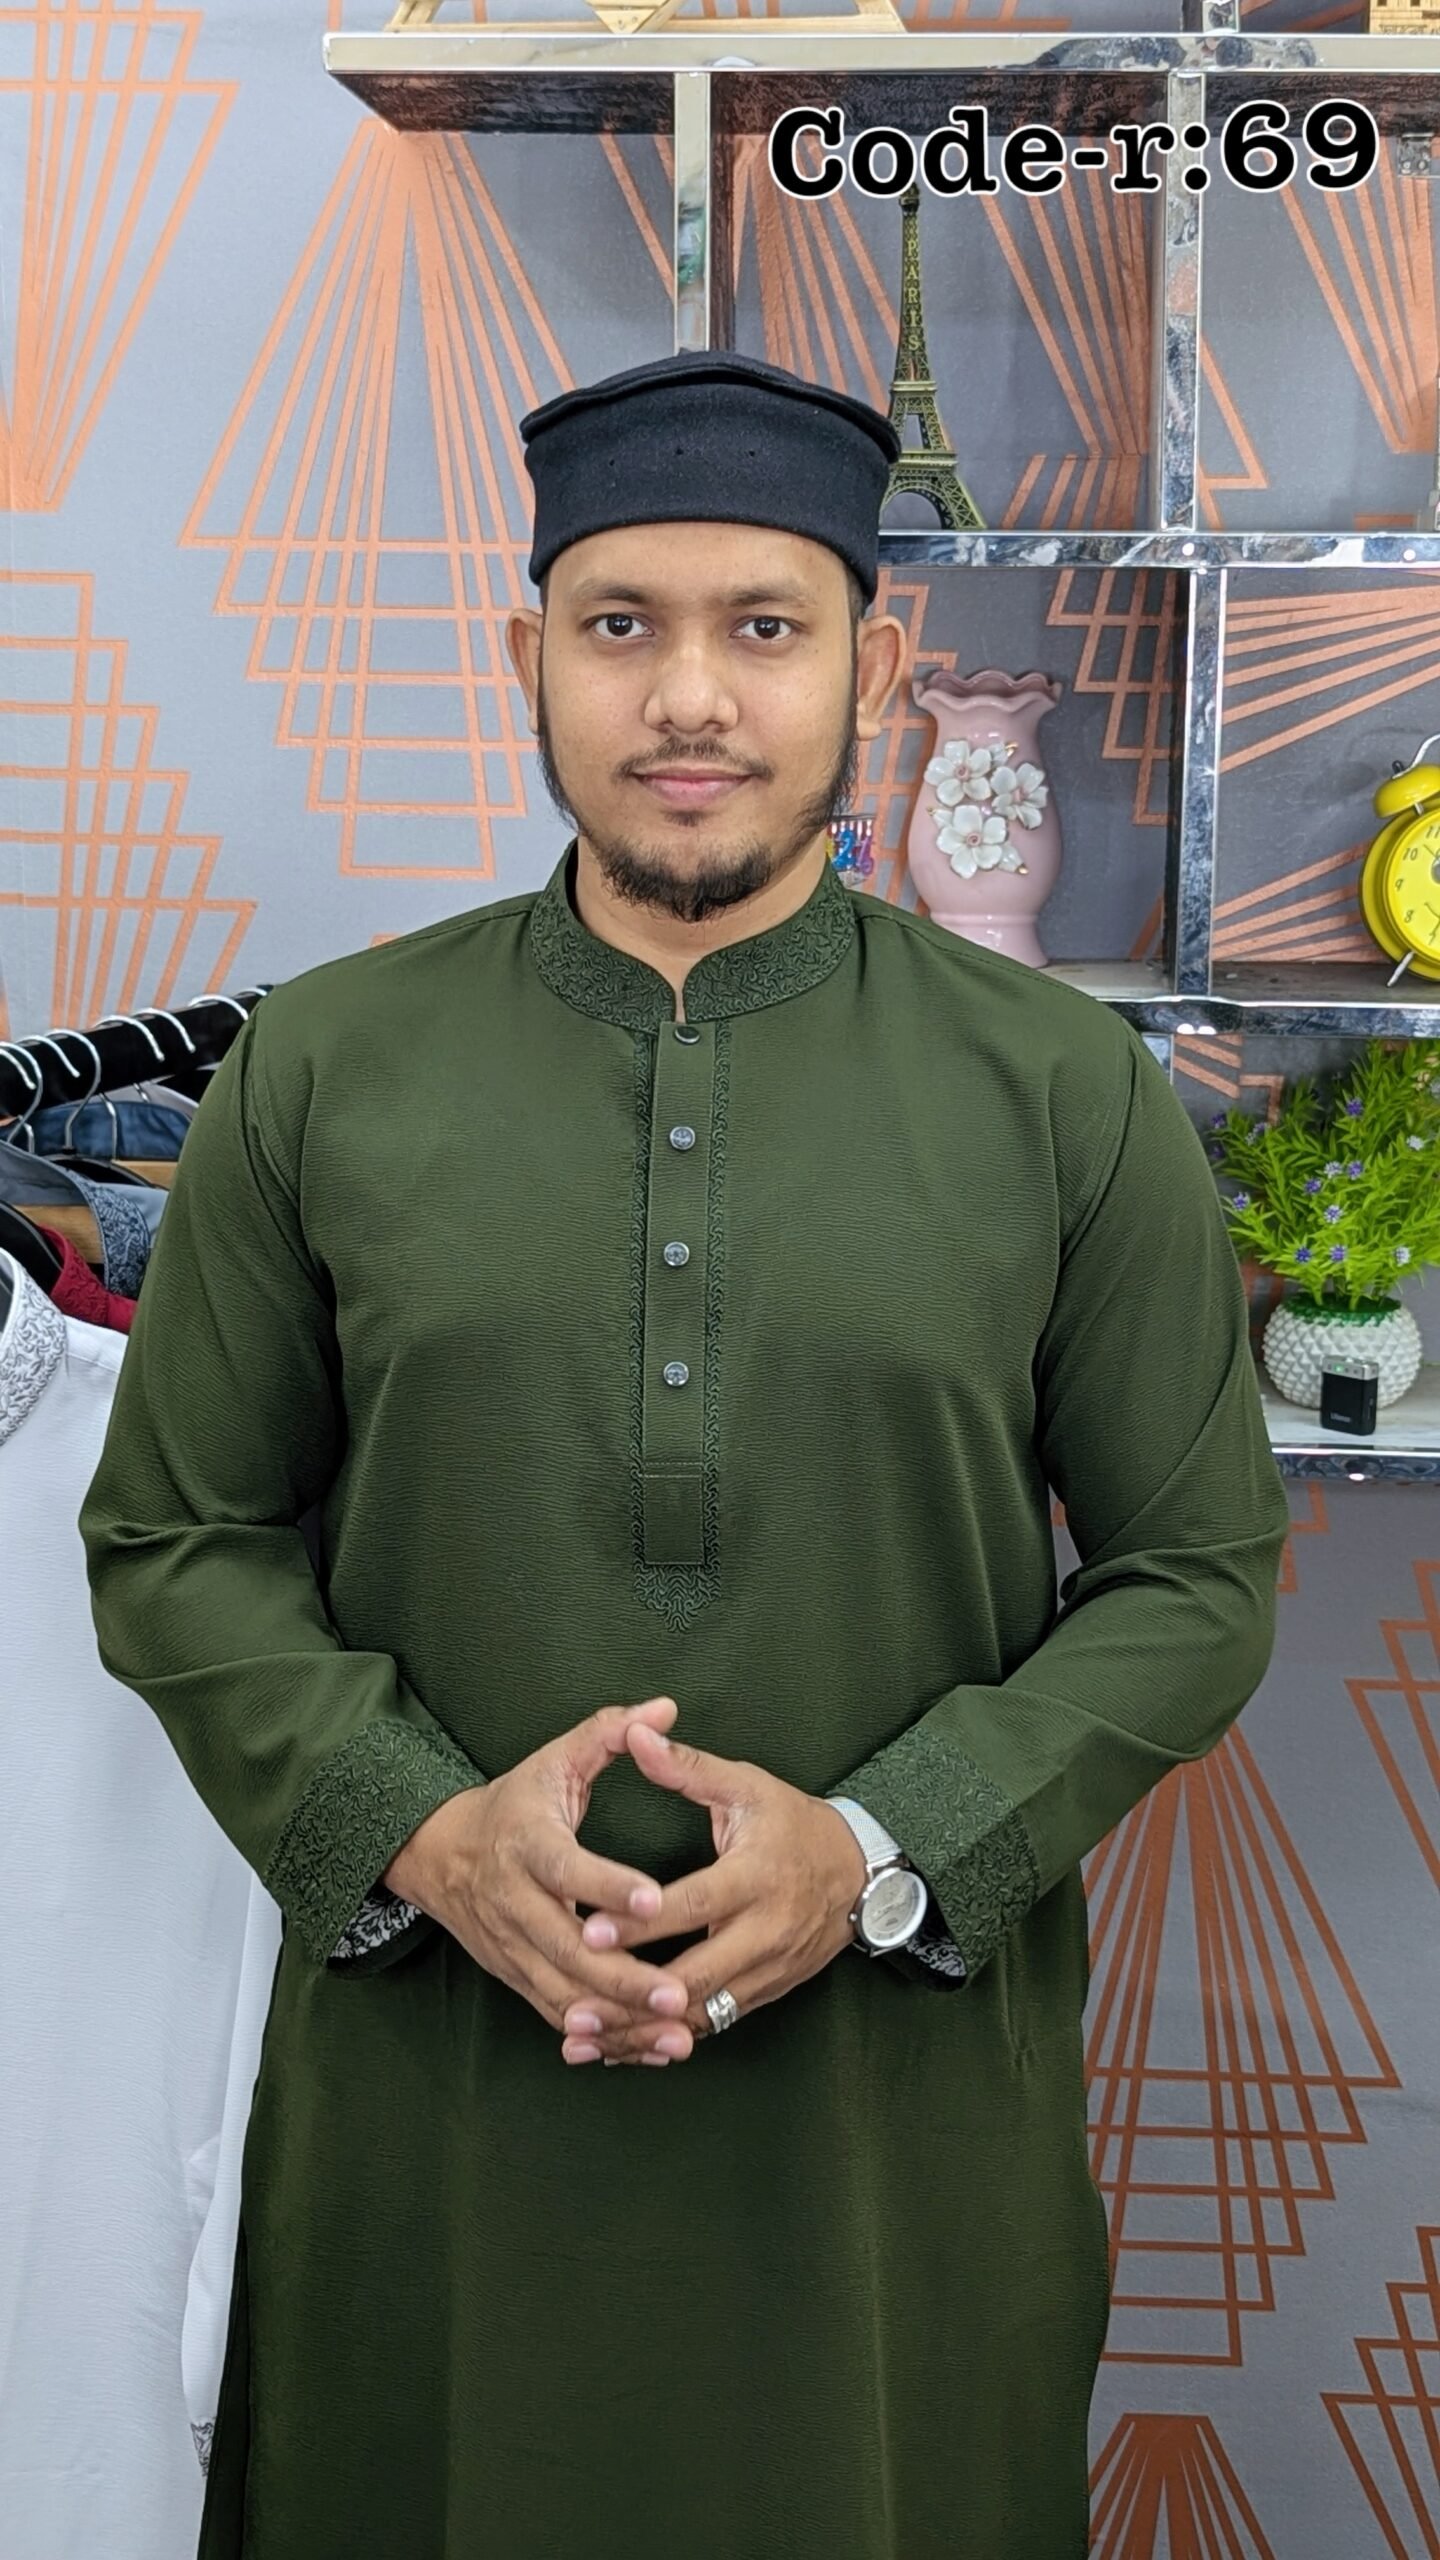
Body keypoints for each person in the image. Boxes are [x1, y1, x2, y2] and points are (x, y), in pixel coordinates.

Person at [77, 350, 1292, 2560]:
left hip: (893, 2130)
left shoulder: (1061, 1089)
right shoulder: (321, 1069)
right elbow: (175, 1535)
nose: (691, 697)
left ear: (877, 673)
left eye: (767, 625)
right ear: (526, 654)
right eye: (621, 623)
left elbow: (1195, 1573)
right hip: (438, 2116)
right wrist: (425, 1832)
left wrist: (886, 1847)